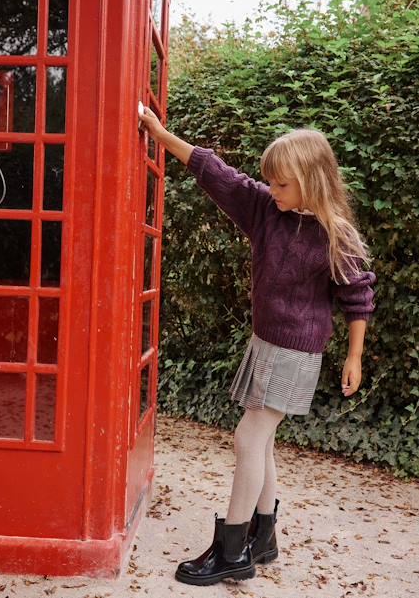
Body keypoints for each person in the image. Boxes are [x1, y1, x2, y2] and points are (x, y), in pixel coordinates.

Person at [139, 106, 377, 586]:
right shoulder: (267, 209)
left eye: (283, 184)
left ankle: (231, 551)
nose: (273, 190)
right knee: (261, 441)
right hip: (265, 342)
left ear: (312, 181)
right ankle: (263, 537)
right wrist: (159, 133)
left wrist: (354, 357)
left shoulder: (336, 235)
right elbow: (215, 172)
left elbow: (359, 296)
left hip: (297, 352)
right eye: (271, 182)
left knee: (248, 437)